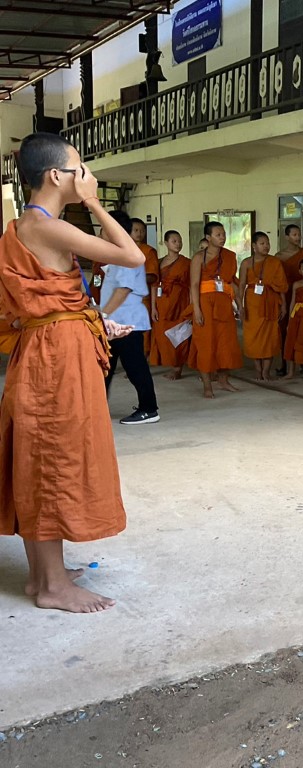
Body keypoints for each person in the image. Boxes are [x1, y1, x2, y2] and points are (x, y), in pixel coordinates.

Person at [0, 131, 143, 612]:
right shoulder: (47, 226)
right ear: (56, 176)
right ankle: (53, 588)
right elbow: (132, 257)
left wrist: (94, 321)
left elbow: (51, 303)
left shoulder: (28, 226)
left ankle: (43, 575)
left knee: (40, 458)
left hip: (48, 348)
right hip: (53, 362)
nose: (87, 176)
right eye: (80, 169)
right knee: (52, 460)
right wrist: (96, 203)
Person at [100, 210, 160, 424]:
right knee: (104, 368)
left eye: (104, 228)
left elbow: (124, 289)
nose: (101, 233)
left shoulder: (126, 255)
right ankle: (97, 409)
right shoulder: (118, 254)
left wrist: (103, 313)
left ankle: (149, 409)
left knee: (135, 368)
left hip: (127, 322)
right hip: (115, 322)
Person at [189, 220, 243, 398]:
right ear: (208, 237)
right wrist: (196, 309)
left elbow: (232, 282)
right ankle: (207, 386)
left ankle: (223, 380)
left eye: (223, 234)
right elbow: (194, 284)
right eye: (218, 235)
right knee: (206, 343)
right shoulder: (199, 257)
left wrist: (239, 305)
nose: (222, 237)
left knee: (226, 343)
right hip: (205, 303)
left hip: (224, 303)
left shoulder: (229, 256)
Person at [239, 231, 288, 381]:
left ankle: (266, 371)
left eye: (267, 243)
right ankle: (258, 370)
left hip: (271, 302)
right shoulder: (246, 263)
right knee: (253, 337)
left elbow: (281, 286)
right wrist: (240, 305)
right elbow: (241, 284)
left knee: (269, 338)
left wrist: (283, 305)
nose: (266, 246)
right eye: (262, 243)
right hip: (252, 303)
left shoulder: (275, 262)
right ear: (254, 246)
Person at [149, 229, 191, 380]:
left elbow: (192, 285)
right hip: (161, 303)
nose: (178, 244)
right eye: (174, 241)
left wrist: (191, 306)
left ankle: (177, 368)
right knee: (162, 335)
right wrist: (153, 307)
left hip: (180, 302)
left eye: (179, 241)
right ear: (166, 243)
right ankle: (168, 361)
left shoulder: (186, 263)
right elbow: (154, 285)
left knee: (179, 335)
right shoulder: (159, 262)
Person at [274, 224, 303, 375]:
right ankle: (285, 363)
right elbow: (277, 279)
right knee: (285, 330)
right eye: (294, 235)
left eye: (299, 234)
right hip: (286, 295)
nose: (298, 237)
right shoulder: (279, 257)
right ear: (287, 237)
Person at [130, 217, 159, 354]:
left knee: (142, 331)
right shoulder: (121, 249)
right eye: (136, 230)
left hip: (141, 299)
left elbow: (152, 276)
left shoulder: (149, 251)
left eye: (142, 230)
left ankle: (143, 357)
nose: (139, 233)